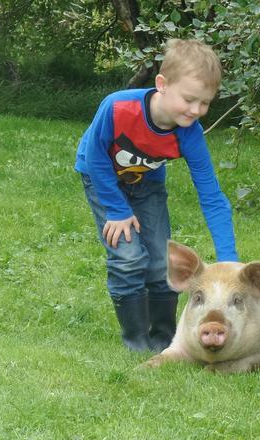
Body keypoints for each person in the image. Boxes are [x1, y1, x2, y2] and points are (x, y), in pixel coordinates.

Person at [75, 39, 238, 352]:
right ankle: (136, 343)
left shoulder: (189, 135)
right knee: (127, 256)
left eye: (205, 103)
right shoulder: (118, 107)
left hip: (147, 185)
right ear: (162, 84)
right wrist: (117, 210)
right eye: (189, 99)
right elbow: (95, 157)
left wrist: (229, 260)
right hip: (102, 180)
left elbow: (212, 196)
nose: (196, 110)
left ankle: (164, 339)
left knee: (161, 261)